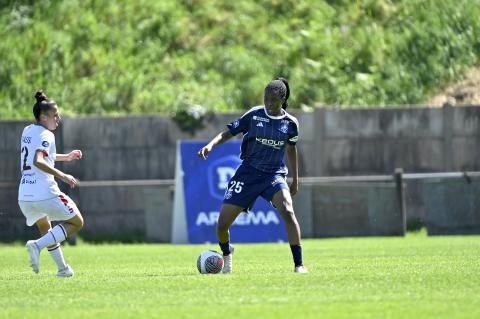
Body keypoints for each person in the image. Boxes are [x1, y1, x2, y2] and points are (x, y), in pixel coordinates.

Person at [197, 78, 308, 273]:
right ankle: (227, 255)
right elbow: (228, 133)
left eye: (273, 100)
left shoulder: (291, 123)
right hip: (248, 173)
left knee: (288, 212)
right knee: (222, 225)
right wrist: (210, 145)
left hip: (273, 175)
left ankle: (299, 265)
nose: (269, 104)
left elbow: (291, 149)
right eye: (266, 99)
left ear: (283, 99)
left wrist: (296, 179)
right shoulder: (254, 115)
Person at [18, 90, 84, 277]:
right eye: (55, 115)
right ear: (43, 116)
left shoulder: (27, 130)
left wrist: (66, 157)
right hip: (44, 191)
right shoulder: (48, 135)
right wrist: (63, 175)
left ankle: (63, 269)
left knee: (46, 228)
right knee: (77, 222)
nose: (58, 118)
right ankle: (36, 246)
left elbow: (40, 157)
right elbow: (38, 161)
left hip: (25, 194)